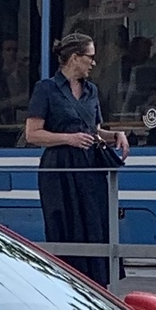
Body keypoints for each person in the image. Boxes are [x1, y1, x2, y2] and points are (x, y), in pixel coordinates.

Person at [24, 29, 125, 287]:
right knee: (64, 225)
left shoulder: (92, 91)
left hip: (89, 169)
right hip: (59, 171)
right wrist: (68, 139)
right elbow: (32, 134)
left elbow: (95, 129)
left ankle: (98, 287)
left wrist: (116, 136)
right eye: (89, 56)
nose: (93, 62)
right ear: (74, 58)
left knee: (95, 223)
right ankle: (66, 285)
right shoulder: (46, 89)